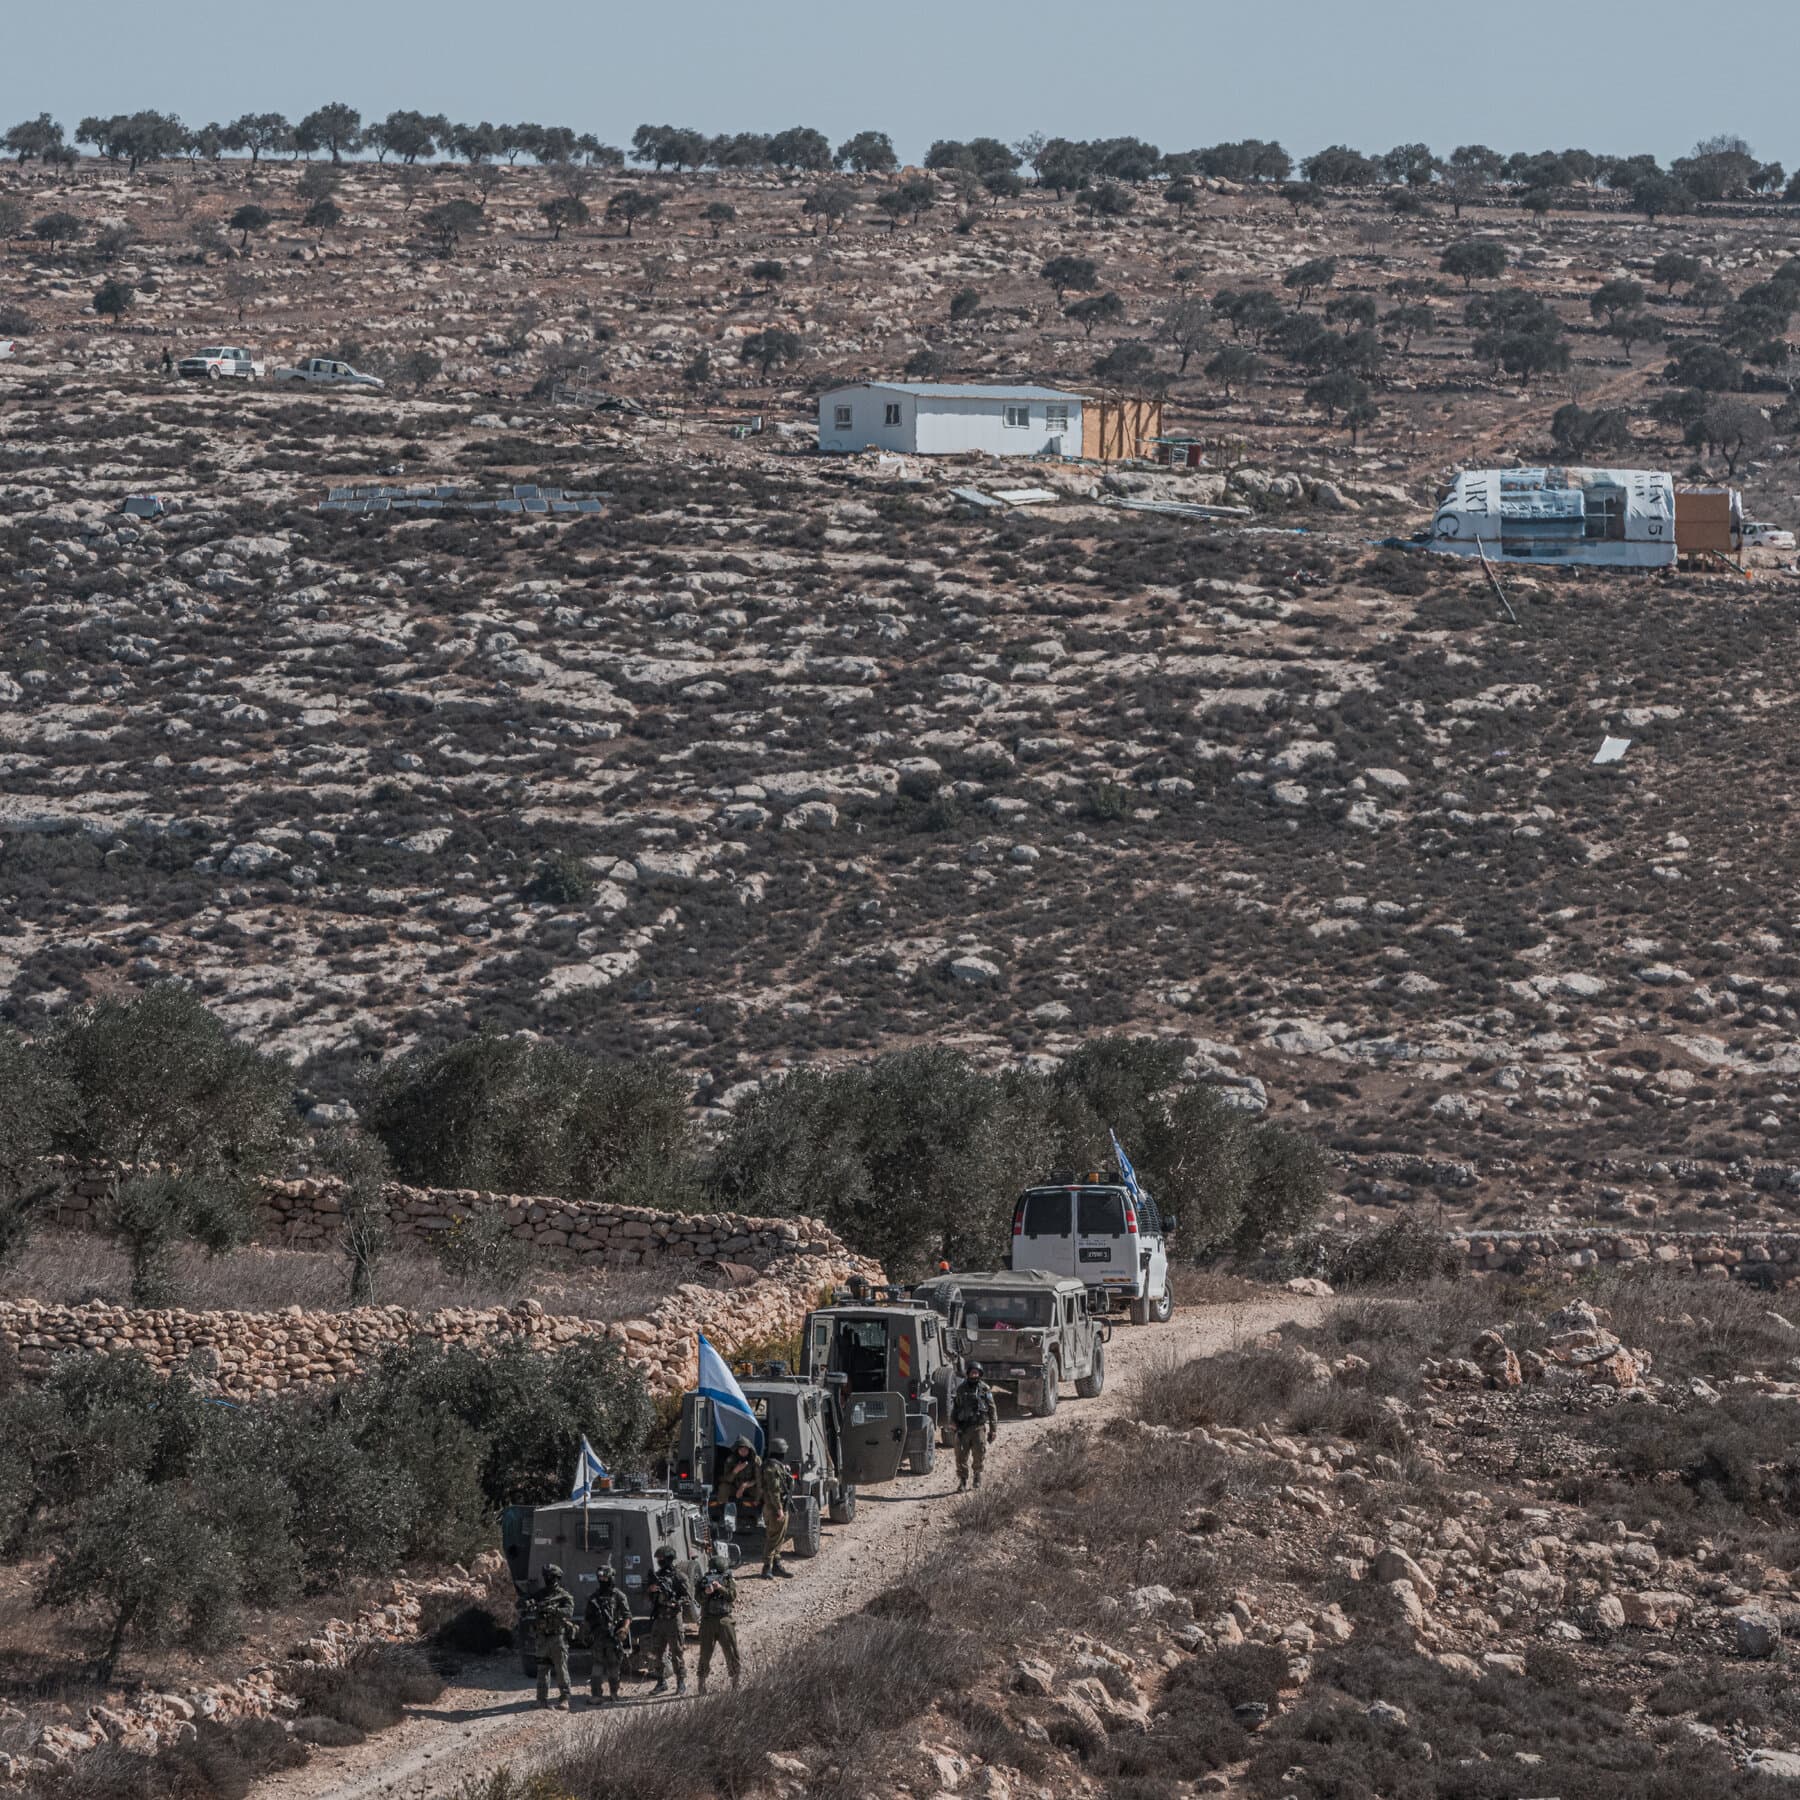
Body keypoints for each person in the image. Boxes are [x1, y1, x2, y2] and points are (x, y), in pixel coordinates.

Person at [645, 1544, 695, 1695]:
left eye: (661, 1559)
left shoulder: (679, 1577)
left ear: (668, 1559)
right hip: (659, 1620)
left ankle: (681, 1683)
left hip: (673, 1619)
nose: (659, 1561)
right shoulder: (657, 1576)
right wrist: (651, 1590)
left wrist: (675, 1602)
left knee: (677, 1653)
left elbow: (688, 1598)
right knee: (655, 1653)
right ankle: (661, 1682)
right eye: (658, 1559)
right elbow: (649, 1597)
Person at [583, 1565, 633, 1705]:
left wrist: (624, 1629)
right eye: (601, 1578)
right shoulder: (594, 1597)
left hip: (614, 1638)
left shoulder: (618, 1596)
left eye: (605, 1577)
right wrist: (586, 1633)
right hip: (598, 1637)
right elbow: (587, 1618)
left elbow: (627, 1615)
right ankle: (596, 1694)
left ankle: (614, 1693)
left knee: (614, 1667)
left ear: (611, 1578)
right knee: (597, 1667)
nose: (603, 1580)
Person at [530, 1565, 576, 1709]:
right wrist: (528, 1604)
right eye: (546, 1577)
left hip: (558, 1638)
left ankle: (564, 1698)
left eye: (551, 1577)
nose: (548, 1579)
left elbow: (569, 1612)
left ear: (557, 1578)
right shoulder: (539, 1594)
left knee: (561, 1670)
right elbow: (524, 1603)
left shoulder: (564, 1595)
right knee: (542, 1669)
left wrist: (554, 1609)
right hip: (542, 1637)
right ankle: (541, 1699)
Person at [951, 1359, 999, 1492]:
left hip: (978, 1428)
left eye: (976, 1373)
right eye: (972, 1373)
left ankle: (977, 1476)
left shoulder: (984, 1389)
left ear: (980, 1374)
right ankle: (963, 1481)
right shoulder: (961, 1389)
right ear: (968, 1374)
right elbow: (955, 1407)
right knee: (960, 1457)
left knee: (979, 1454)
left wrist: (993, 1429)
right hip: (963, 1429)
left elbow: (992, 1409)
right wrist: (953, 1423)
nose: (974, 1375)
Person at [696, 1548, 739, 1694]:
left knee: (731, 1652)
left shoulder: (727, 1580)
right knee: (705, 1654)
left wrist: (720, 1588)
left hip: (724, 1620)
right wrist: (706, 1592)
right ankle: (701, 1685)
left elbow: (732, 1596)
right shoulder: (703, 1581)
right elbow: (698, 1599)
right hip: (708, 1621)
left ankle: (735, 1685)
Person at [759, 1436, 794, 1578]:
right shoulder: (771, 1467)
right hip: (774, 1508)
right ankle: (767, 1567)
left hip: (780, 1506)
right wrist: (779, 1509)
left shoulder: (775, 1465)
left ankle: (777, 1565)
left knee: (780, 1537)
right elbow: (774, 1491)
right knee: (773, 1538)